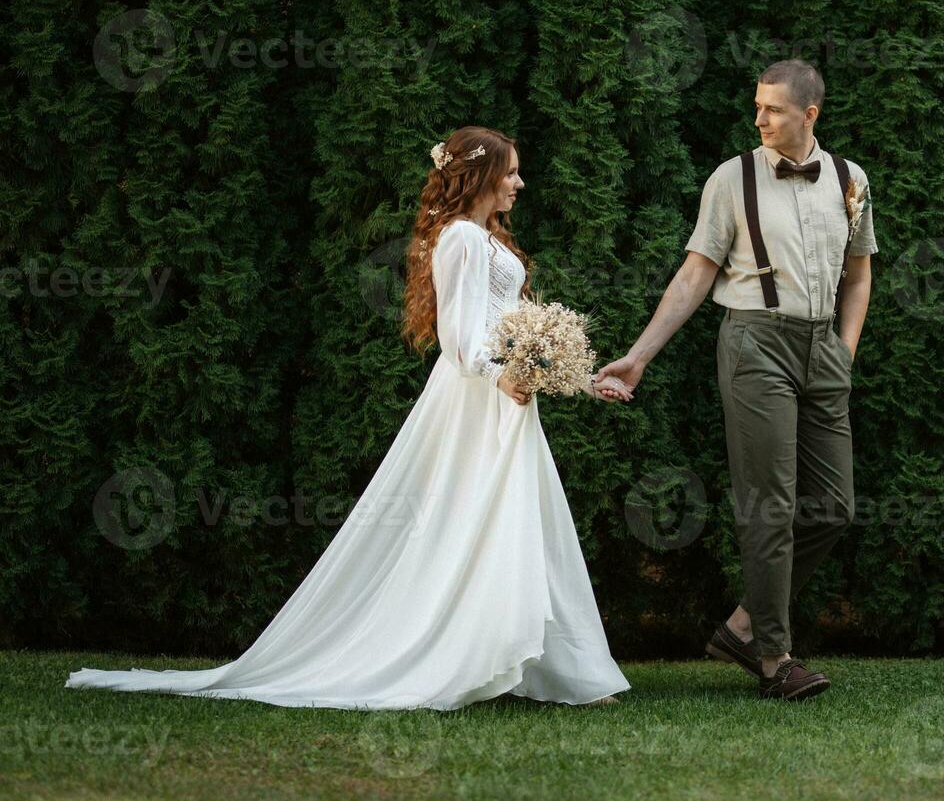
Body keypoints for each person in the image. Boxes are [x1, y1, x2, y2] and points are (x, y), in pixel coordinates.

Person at [66, 126, 634, 710]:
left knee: (513, 520)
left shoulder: (485, 238)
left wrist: (580, 378)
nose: (520, 182)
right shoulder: (461, 238)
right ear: (481, 176)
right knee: (477, 519)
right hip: (478, 398)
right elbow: (457, 338)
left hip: (506, 398)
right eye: (511, 171)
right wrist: (502, 376)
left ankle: (533, 664)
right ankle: (476, 657)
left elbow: (513, 328)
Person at [596, 60, 878, 701]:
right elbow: (696, 272)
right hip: (755, 343)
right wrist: (638, 357)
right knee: (771, 503)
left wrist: (844, 351)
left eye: (773, 109)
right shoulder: (732, 178)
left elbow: (859, 273)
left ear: (810, 115)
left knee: (834, 507)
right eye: (757, 106)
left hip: (823, 349)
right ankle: (775, 658)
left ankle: (743, 626)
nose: (759, 119)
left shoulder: (850, 179)